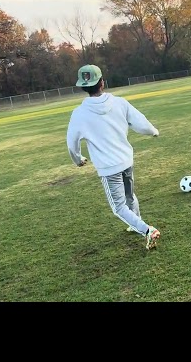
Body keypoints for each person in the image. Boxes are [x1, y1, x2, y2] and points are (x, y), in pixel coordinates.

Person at [66, 64, 161, 250]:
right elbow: (140, 122)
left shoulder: (79, 114)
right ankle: (136, 223)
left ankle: (146, 229)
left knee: (119, 208)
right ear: (102, 82)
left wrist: (78, 160)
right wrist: (153, 131)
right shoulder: (120, 102)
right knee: (129, 196)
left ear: (83, 87)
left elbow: (72, 144)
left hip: (109, 168)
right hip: (126, 161)